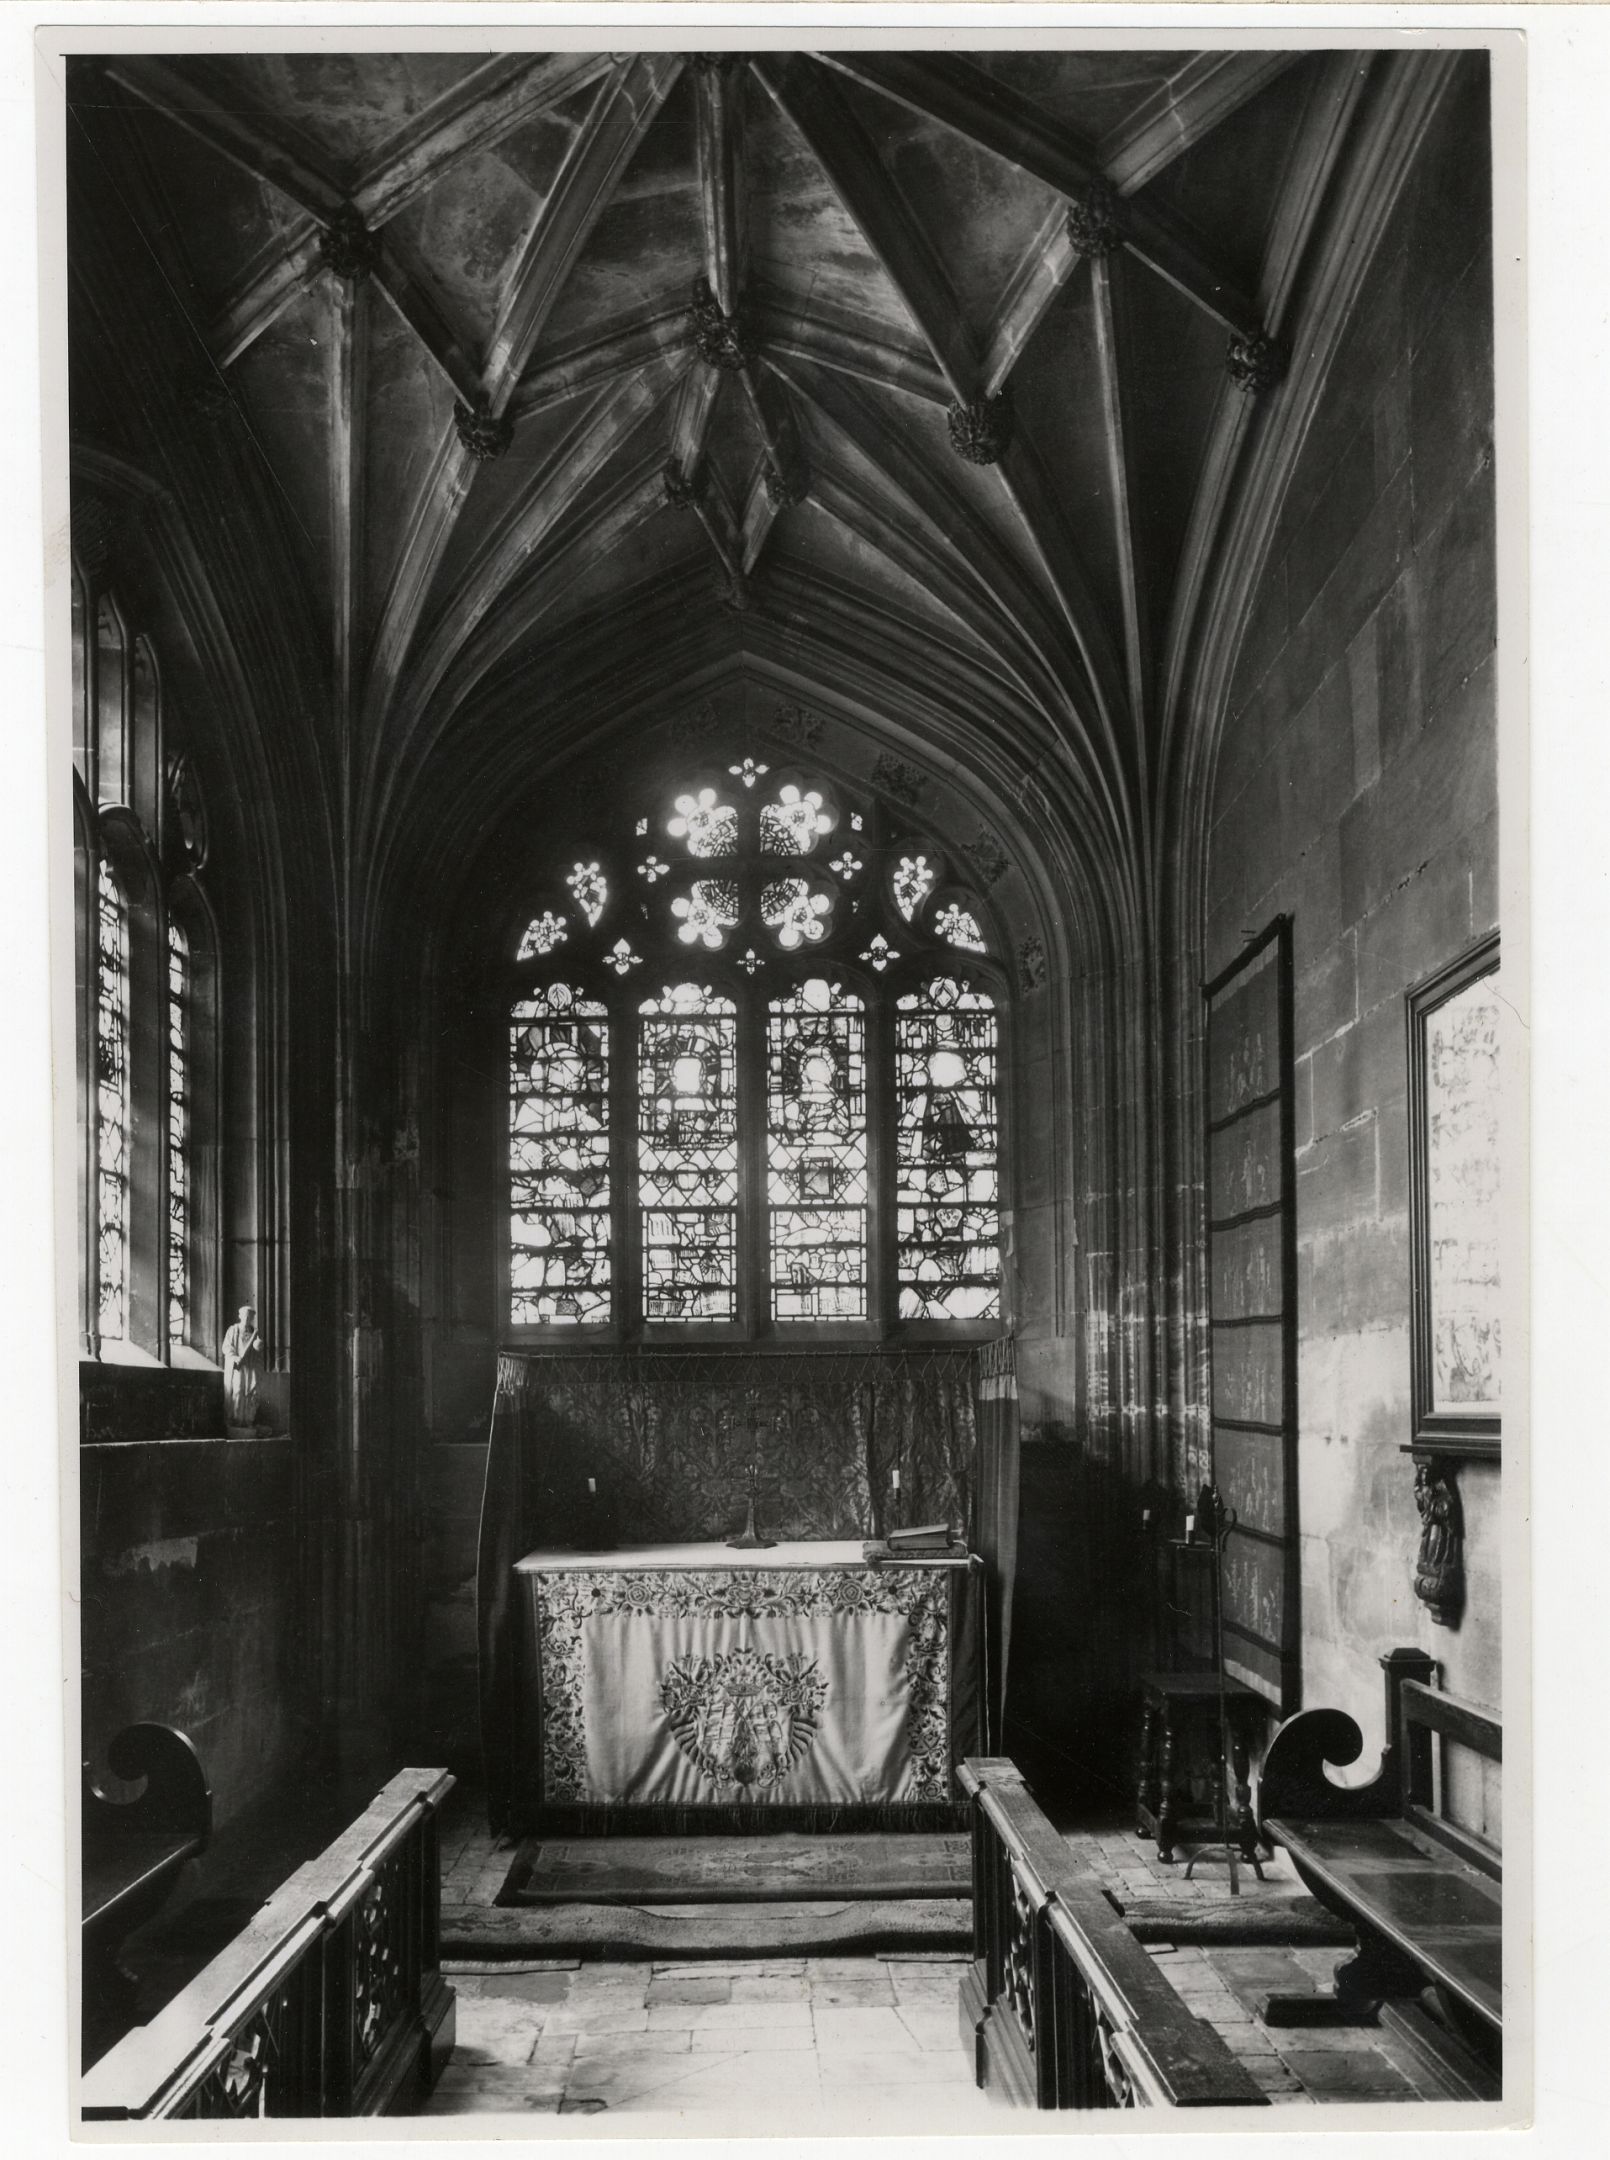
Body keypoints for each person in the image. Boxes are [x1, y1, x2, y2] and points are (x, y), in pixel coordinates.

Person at [223, 1304, 262, 1433]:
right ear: (240, 1316)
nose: (246, 1318)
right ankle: (236, 1421)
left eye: (249, 1317)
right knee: (238, 1390)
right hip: (238, 1368)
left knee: (251, 1392)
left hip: (250, 1368)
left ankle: (248, 1420)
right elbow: (226, 1347)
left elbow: (257, 1352)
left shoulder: (254, 1333)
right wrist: (234, 1357)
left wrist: (258, 1346)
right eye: (245, 1316)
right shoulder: (233, 1330)